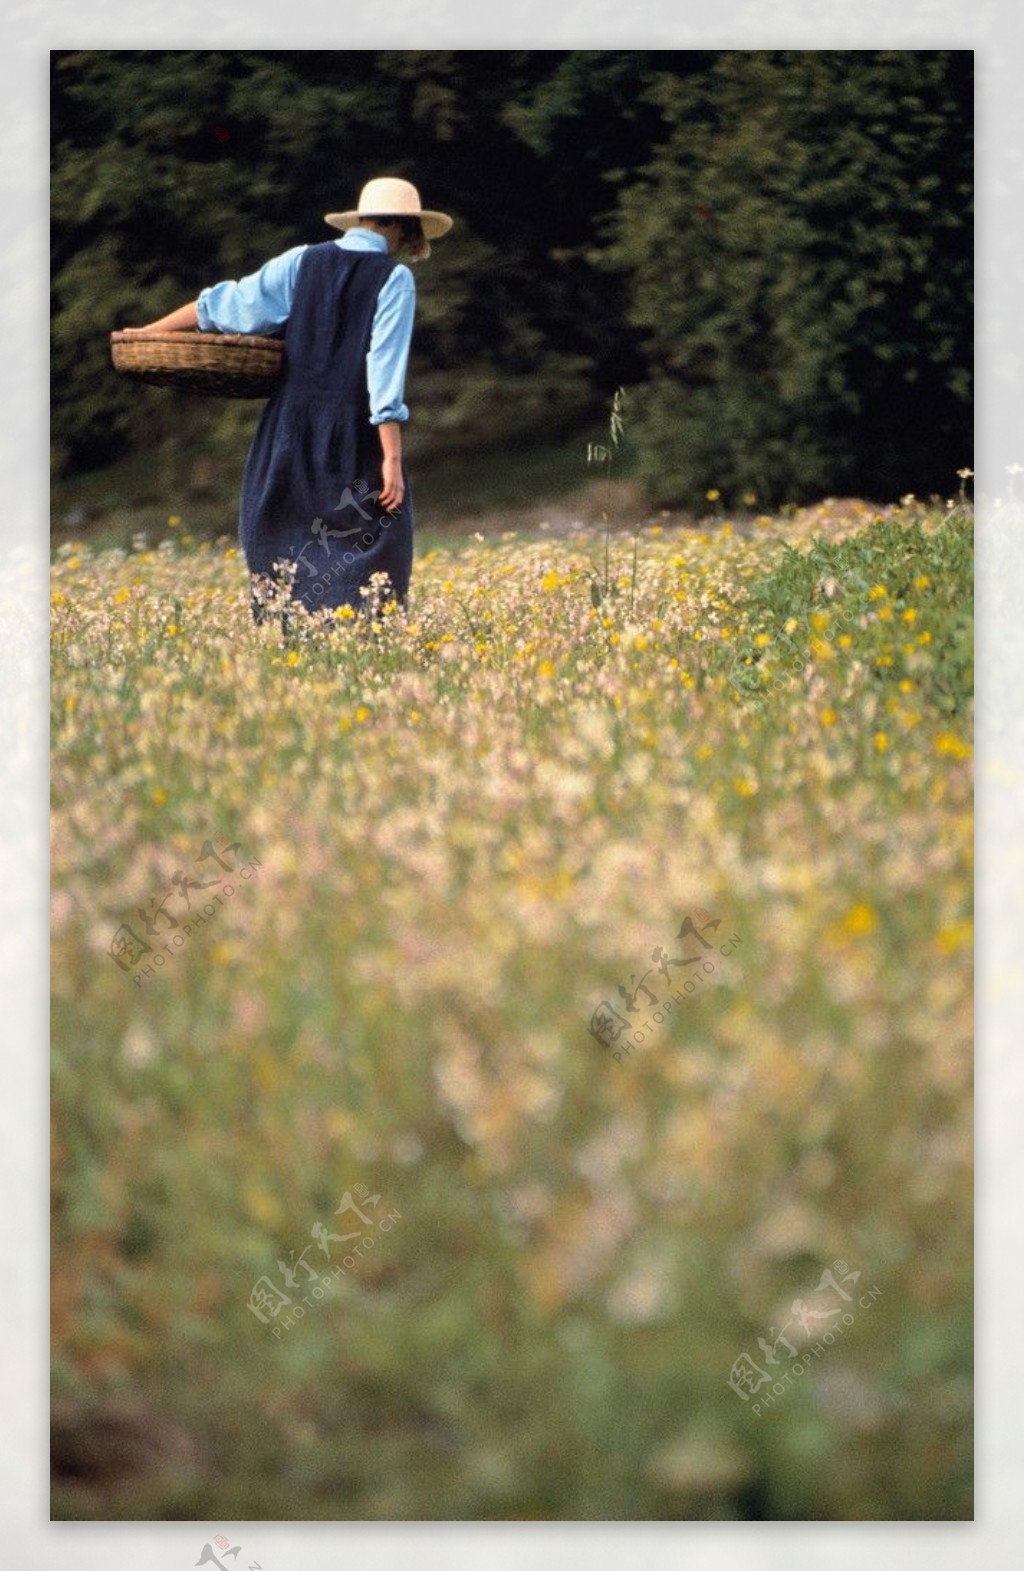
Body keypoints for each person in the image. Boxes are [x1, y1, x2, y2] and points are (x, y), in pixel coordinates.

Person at [119, 176, 453, 633]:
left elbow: (221, 305)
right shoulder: (395, 279)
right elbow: (384, 373)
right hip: (354, 433)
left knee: (283, 533)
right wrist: (392, 456)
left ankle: (289, 634)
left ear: (362, 219)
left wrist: (147, 332)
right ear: (404, 228)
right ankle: (359, 640)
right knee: (379, 540)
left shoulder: (302, 262)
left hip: (287, 431)